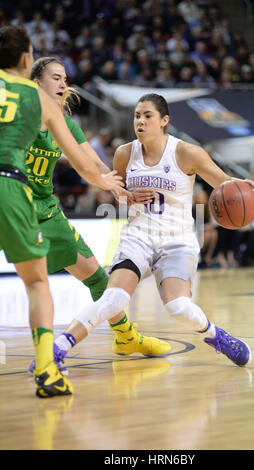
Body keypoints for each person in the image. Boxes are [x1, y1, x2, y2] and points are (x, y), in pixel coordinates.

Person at [50, 93, 254, 369]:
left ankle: (217, 337)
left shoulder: (187, 152)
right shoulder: (124, 153)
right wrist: (128, 196)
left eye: (147, 115)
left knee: (178, 308)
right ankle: (59, 348)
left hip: (177, 239)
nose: (140, 121)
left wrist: (252, 186)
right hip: (138, 235)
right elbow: (119, 194)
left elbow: (224, 183)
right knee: (113, 298)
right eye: (137, 115)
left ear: (164, 120)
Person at [0, 26, 123, 398]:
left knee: (93, 275)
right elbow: (86, 166)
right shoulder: (38, 101)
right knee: (38, 284)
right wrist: (109, 183)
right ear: (27, 60)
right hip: (10, 186)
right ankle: (47, 370)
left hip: (39, 203)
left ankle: (127, 335)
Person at [28, 58, 171, 375]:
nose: (64, 84)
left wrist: (124, 189)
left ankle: (126, 337)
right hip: (8, 202)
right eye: (55, 78)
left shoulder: (66, 125)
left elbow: (92, 165)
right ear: (35, 82)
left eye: (66, 78)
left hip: (45, 210)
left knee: (99, 278)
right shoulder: (16, 115)